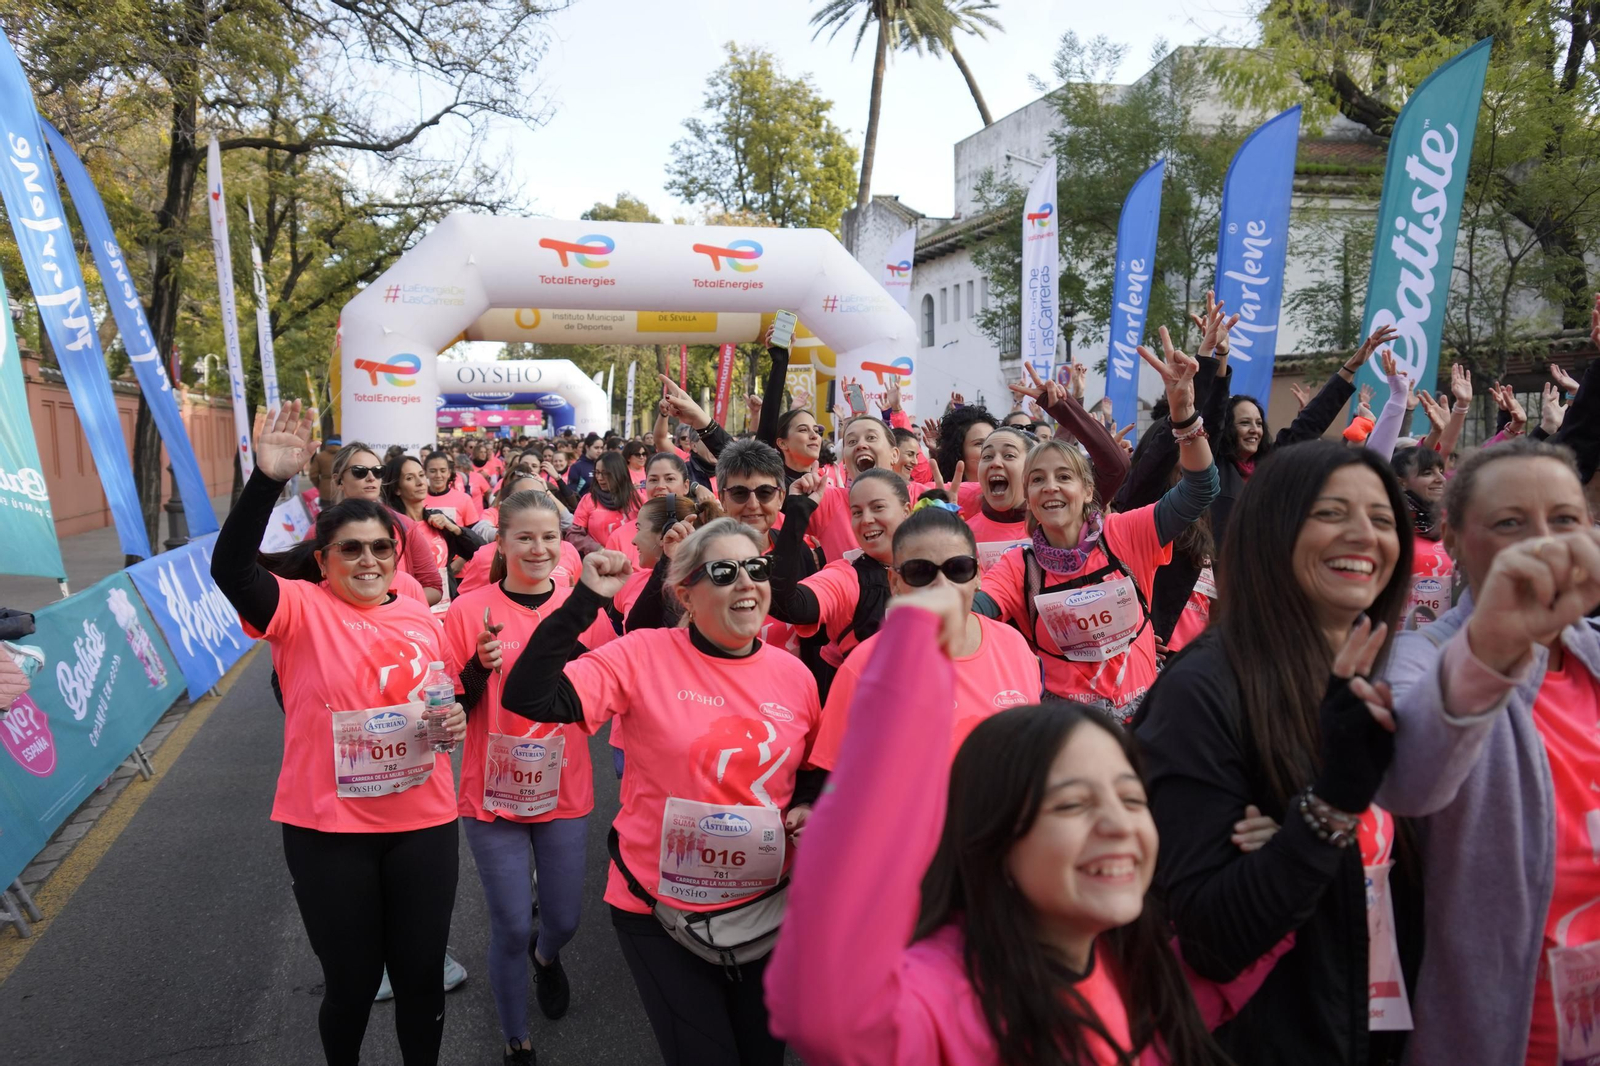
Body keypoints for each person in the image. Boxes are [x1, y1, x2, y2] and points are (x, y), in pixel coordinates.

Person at [768, 586, 1281, 1066]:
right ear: (997, 837)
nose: (1118, 826)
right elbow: (829, 1015)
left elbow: (1222, 979)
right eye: (1073, 804)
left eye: (1130, 797)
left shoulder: (1140, 974)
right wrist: (906, 661)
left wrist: (1288, 853)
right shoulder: (944, 999)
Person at [1134, 440, 1420, 1065]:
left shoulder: (1402, 676)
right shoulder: (1202, 693)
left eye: (1381, 518)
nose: (1364, 536)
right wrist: (1324, 816)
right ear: (1271, 528)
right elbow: (1212, 935)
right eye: (1330, 513)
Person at [500, 524, 822, 1066]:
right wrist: (586, 600)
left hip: (766, 909)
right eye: (724, 571)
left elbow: (811, 766)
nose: (746, 582)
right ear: (685, 594)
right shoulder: (642, 654)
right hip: (659, 908)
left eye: (756, 568)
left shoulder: (795, 674)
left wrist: (810, 804)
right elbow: (529, 696)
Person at [211, 402, 467, 1066]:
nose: (369, 559)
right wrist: (266, 481)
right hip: (330, 833)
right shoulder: (297, 608)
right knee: (351, 988)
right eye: (351, 549)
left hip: (424, 822)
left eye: (381, 547)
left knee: (421, 984)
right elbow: (231, 571)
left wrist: (454, 717)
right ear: (322, 560)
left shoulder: (415, 608)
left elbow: (439, 695)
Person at [1375, 438, 1600, 1066]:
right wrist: (1498, 645)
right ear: (1452, 540)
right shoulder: (1422, 658)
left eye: (1564, 520)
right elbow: (1411, 777)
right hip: (1506, 1035)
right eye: (1508, 523)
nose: (1543, 542)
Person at [442, 490, 615, 1066]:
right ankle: (517, 1037)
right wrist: (475, 668)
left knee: (562, 918)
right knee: (511, 925)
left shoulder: (580, 606)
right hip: (490, 793)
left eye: (549, 537)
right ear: (502, 541)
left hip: (565, 785)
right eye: (524, 537)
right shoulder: (470, 610)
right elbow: (444, 710)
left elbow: (615, 685)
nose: (538, 548)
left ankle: (549, 958)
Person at [975, 329, 1219, 720]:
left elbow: (1201, 489)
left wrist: (1184, 414)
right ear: (1028, 497)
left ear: (1089, 491)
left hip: (1143, 725)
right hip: (1069, 735)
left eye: (1064, 477)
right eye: (1037, 479)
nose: (1050, 487)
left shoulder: (1125, 534)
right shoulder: (1018, 567)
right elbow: (975, 609)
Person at [807, 501, 1040, 770]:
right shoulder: (864, 668)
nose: (942, 585)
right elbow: (843, 790)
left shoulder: (1013, 646)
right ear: (894, 583)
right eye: (920, 572)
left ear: (977, 576)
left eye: (957, 569)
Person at [768, 468, 915, 695]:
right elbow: (789, 603)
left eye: (878, 507)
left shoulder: (938, 568)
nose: (866, 520)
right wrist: (798, 512)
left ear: (907, 511)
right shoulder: (847, 577)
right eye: (856, 512)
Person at [329, 442, 443, 606]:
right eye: (359, 472)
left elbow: (433, 586)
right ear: (338, 480)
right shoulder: (321, 530)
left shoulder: (405, 526)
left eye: (378, 471)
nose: (371, 478)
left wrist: (394, 607)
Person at [382, 454, 481, 615]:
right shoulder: (391, 528)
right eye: (409, 478)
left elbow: (480, 553)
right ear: (397, 488)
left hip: (447, 610)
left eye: (421, 475)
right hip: (412, 611)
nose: (420, 482)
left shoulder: (436, 519)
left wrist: (456, 530)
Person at [460, 474, 581, 595]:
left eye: (541, 497)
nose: (539, 550)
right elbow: (465, 605)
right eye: (525, 538)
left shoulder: (568, 550)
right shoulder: (484, 556)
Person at [1390, 445, 1453, 628]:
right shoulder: (1390, 526)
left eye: (1441, 471)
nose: (1441, 479)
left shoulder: (1450, 526)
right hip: (1392, 642)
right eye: (1428, 473)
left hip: (1439, 641)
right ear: (1401, 482)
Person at [569, 451, 641, 555]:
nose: (599, 478)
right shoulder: (589, 500)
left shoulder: (638, 499)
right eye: (597, 472)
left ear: (619, 473)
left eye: (605, 473)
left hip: (635, 564)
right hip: (602, 563)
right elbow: (573, 536)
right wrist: (597, 549)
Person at [423, 449, 484, 529]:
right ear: (425, 473)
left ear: (449, 473)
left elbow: (473, 535)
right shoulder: (418, 500)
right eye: (433, 471)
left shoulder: (464, 499)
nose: (438, 475)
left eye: (443, 471)